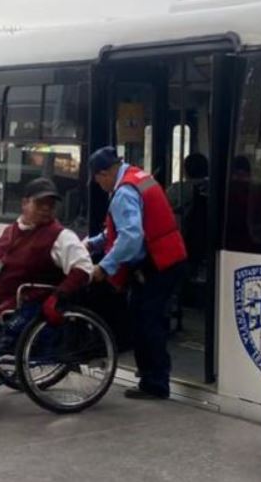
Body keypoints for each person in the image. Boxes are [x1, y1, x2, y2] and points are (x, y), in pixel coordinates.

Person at [0, 177, 93, 387]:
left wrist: (57, 296)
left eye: (51, 205)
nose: (46, 209)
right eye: (40, 203)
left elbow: (84, 269)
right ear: (25, 203)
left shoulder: (60, 236)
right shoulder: (11, 231)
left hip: (23, 302)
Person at [86, 146, 187, 399]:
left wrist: (104, 266)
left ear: (105, 173)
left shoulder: (123, 192)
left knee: (147, 321)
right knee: (144, 315)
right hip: (168, 257)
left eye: (98, 180)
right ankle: (151, 375)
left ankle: (155, 384)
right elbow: (122, 228)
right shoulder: (138, 178)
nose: (99, 185)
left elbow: (131, 237)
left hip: (158, 263)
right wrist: (93, 243)